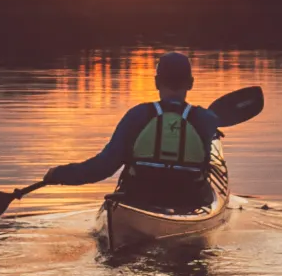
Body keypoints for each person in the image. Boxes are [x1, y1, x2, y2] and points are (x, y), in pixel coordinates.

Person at [43, 51, 221, 211]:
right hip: (187, 201)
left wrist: (58, 174)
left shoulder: (138, 115)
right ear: (190, 83)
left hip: (139, 198)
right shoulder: (206, 120)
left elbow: (103, 167)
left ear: (157, 82)